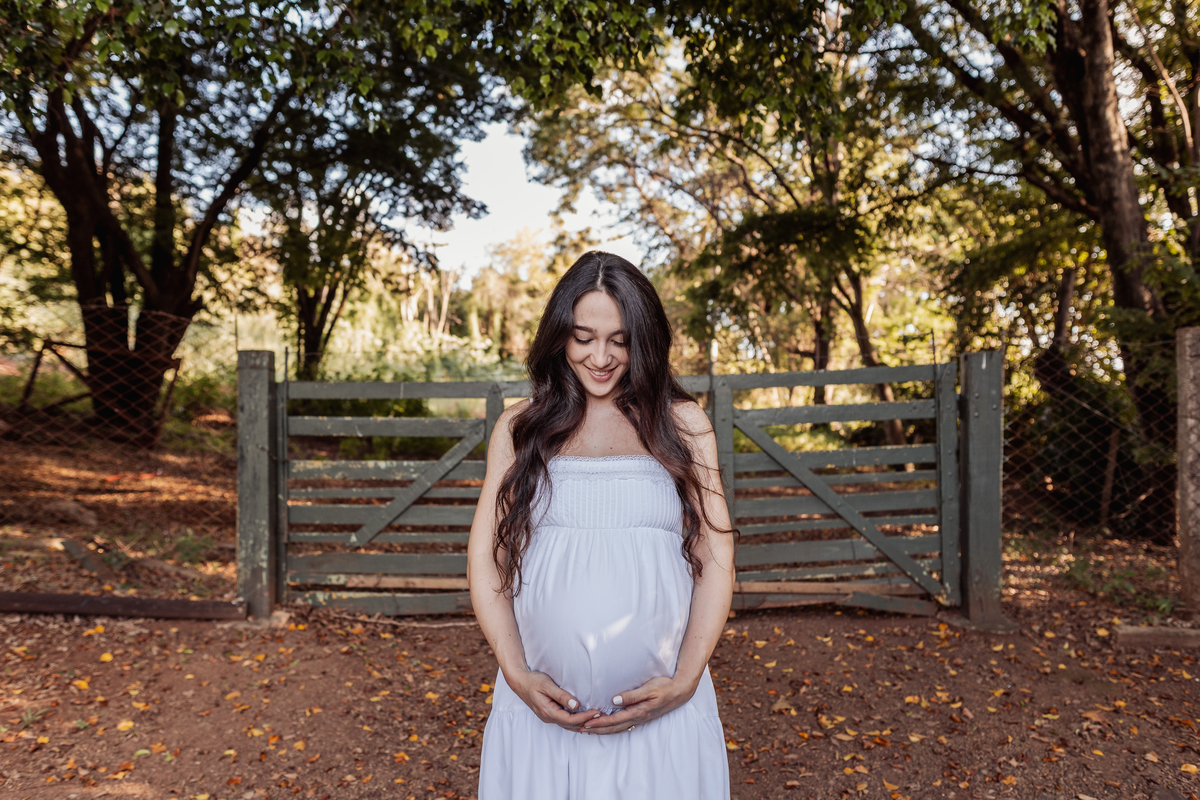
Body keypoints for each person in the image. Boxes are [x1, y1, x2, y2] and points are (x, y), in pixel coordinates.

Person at [467, 252, 735, 799]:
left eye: (620, 339)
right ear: (559, 336)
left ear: (645, 339)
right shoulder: (520, 428)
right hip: (541, 726)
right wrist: (516, 674)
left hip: (665, 723)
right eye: (583, 336)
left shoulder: (683, 424)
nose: (601, 356)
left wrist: (685, 681)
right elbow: (485, 562)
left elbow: (716, 560)